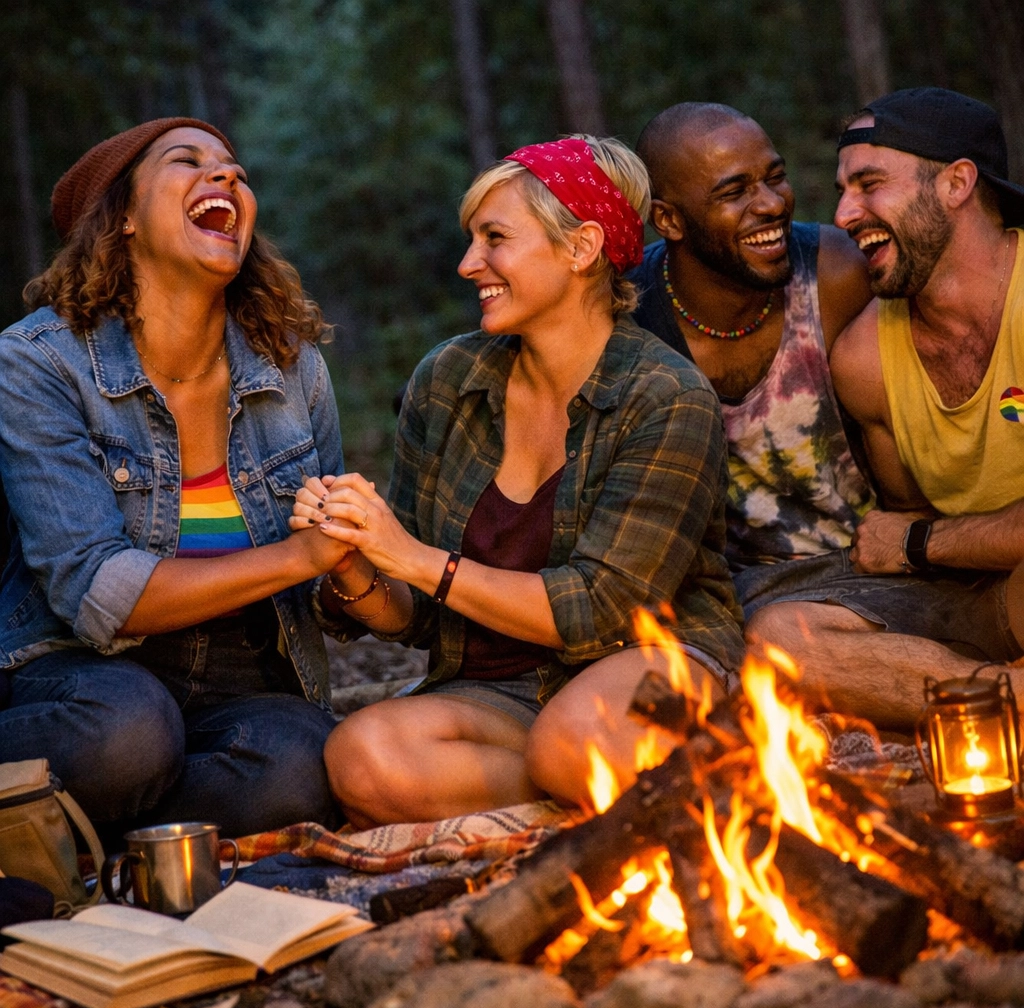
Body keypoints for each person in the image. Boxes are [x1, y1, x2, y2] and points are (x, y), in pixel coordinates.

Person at [293, 136, 745, 827]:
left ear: (581, 247)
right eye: (472, 240)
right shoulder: (448, 380)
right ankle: (597, 787)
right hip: (503, 691)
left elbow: (599, 608)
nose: (469, 263)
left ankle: (625, 763)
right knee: (363, 758)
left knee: (576, 745)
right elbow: (418, 612)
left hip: (647, 658)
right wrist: (357, 561)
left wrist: (413, 556)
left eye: (495, 239)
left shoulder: (667, 396)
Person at [0, 118, 356, 836]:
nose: (226, 176)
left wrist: (358, 570)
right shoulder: (39, 361)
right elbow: (97, 593)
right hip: (80, 670)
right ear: (124, 217)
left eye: (235, 169)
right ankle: (91, 806)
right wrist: (299, 556)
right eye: (187, 162)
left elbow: (333, 590)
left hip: (240, 673)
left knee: (307, 763)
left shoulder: (292, 368)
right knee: (126, 732)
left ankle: (74, 833)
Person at [747, 87, 1024, 730]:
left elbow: (912, 539)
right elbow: (906, 532)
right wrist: (921, 542)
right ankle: (997, 702)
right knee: (779, 638)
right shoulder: (865, 357)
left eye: (870, 184)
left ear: (956, 183)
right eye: (843, 190)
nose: (844, 213)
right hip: (980, 599)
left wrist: (922, 542)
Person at [629, 103, 876, 615]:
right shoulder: (630, 315)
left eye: (775, 177)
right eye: (734, 191)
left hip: (877, 572)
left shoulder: (839, 276)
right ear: (669, 219)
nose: (771, 204)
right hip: (730, 601)